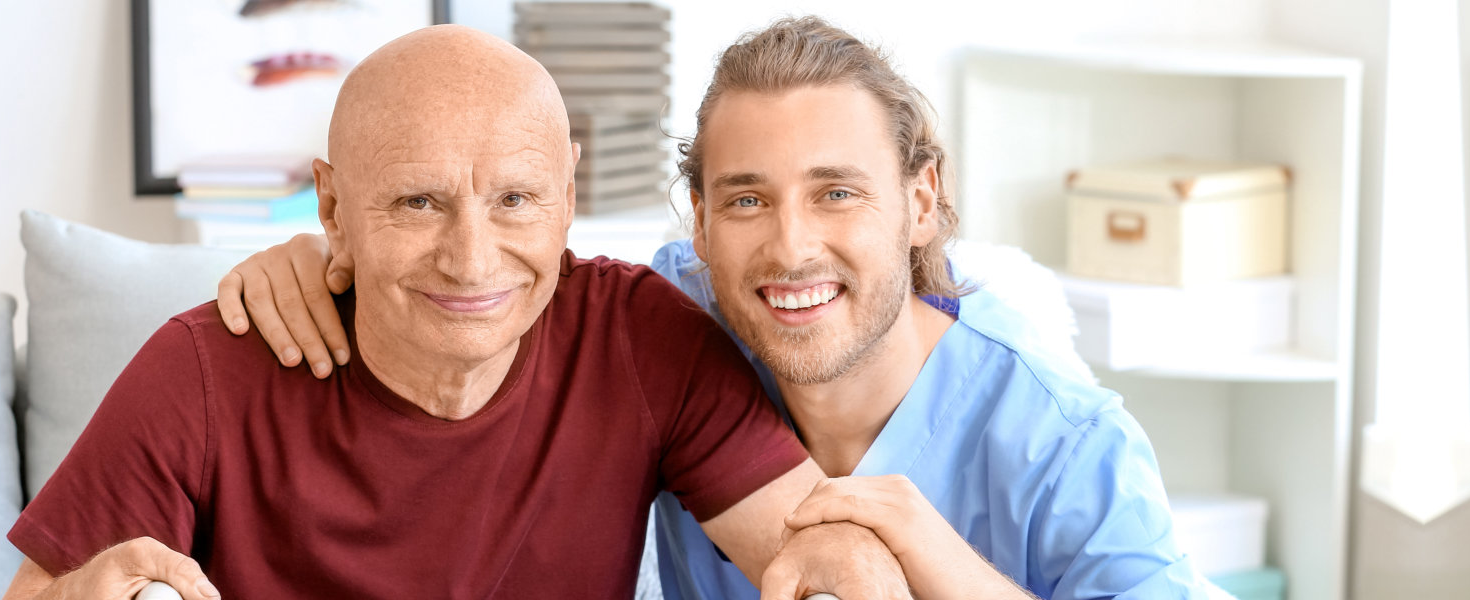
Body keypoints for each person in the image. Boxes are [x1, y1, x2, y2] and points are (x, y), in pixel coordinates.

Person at [222, 16, 1210, 600]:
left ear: (919, 199)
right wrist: (332, 258)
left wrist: (937, 564)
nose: (788, 246)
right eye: (745, 198)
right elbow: (492, 279)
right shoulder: (670, 323)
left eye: (836, 192)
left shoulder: (1064, 439)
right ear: (699, 222)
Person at [0, 24, 914, 600]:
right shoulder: (207, 369)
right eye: (417, 203)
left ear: (566, 195)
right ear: (333, 211)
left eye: (515, 200)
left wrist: (849, 565)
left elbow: (808, 533)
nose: (473, 260)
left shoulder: (639, 338)